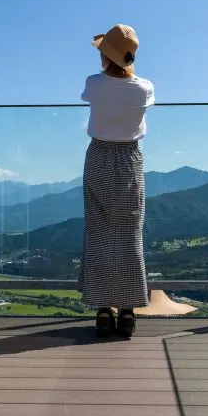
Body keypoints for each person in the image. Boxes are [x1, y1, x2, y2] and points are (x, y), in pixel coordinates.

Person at [78, 24, 155, 337]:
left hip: (97, 157)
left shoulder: (93, 84)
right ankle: (127, 310)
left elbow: (97, 97)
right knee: (129, 233)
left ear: (104, 55)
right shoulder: (144, 88)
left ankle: (102, 309)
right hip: (129, 159)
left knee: (98, 231)